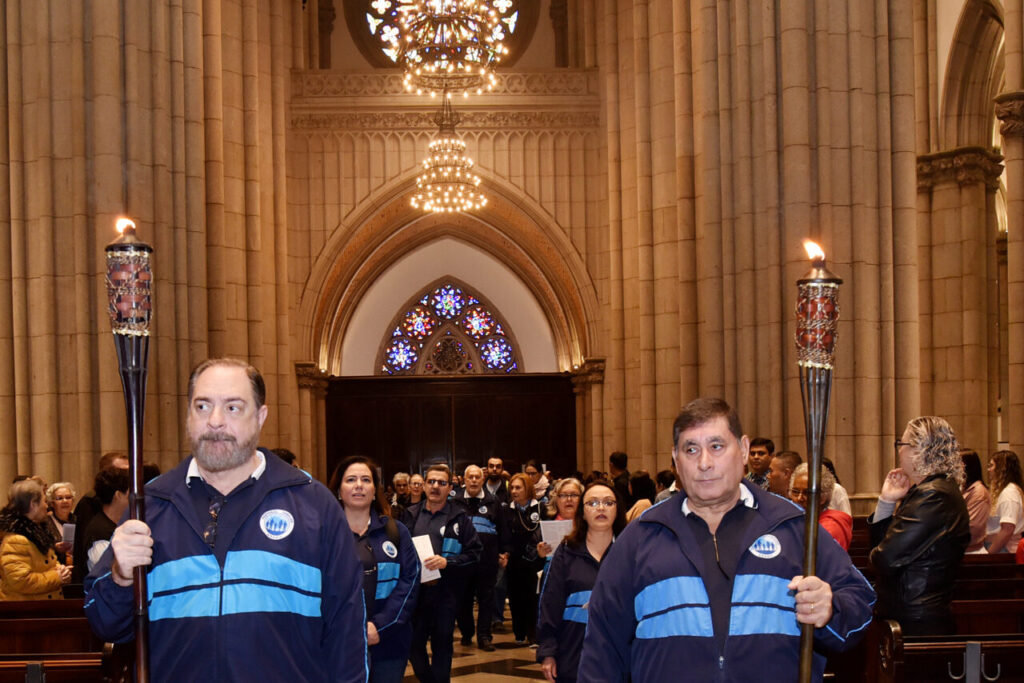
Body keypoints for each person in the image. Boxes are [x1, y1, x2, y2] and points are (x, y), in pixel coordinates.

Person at [84, 358, 367, 681]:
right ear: (188, 416)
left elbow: (347, 629)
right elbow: (105, 624)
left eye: (233, 408)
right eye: (202, 406)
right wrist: (121, 577)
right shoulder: (151, 506)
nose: (215, 421)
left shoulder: (312, 504)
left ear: (260, 417)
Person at [578, 397, 874, 682]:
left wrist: (830, 610)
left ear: (743, 450)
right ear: (676, 459)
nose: (704, 462)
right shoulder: (642, 536)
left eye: (716, 446)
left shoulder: (792, 526)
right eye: (691, 449)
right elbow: (602, 648)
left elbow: (860, 603)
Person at [869, 416, 970, 636]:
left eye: (901, 444)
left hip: (916, 619)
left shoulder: (933, 495)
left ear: (919, 449)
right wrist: (886, 502)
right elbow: (883, 548)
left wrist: (878, 554)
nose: (899, 450)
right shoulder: (931, 491)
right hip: (914, 614)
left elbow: (884, 558)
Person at [332, 456, 419, 683]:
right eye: (351, 480)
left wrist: (379, 626)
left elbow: (409, 582)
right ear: (339, 491)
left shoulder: (396, 531)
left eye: (366, 480)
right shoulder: (325, 534)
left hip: (389, 643)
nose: (359, 485)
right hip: (338, 643)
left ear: (374, 491)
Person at [536, 480, 625, 683]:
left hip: (619, 655)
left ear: (617, 510)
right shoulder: (567, 551)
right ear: (582, 512)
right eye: (592, 503)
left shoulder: (630, 552)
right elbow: (550, 603)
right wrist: (548, 651)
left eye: (608, 502)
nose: (600, 508)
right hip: (573, 653)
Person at [402, 464, 482, 683]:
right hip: (416, 594)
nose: (435, 486)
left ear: (450, 488)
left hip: (446, 593)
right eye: (431, 482)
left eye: (441, 483)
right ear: (424, 485)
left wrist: (448, 562)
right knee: (413, 645)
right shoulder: (410, 515)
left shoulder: (460, 518)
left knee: (442, 646)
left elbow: (475, 553)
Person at [452, 464, 509, 652]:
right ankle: (467, 632)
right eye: (471, 477)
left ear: (482, 479)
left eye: (477, 477)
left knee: (486, 598)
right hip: (462, 560)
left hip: (487, 560)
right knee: (463, 599)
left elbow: (502, 528)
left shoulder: (493, 501)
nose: (474, 480)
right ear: (464, 479)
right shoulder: (455, 501)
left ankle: (484, 636)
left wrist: (504, 552)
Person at [0, 479, 72, 600]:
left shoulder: (37, 532)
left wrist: (61, 569)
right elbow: (21, 581)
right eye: (44, 501)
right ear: (33, 504)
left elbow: (46, 562)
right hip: (27, 608)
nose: (47, 506)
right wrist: (56, 577)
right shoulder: (16, 540)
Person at [505, 472, 546, 646]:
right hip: (514, 560)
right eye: (512, 488)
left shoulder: (541, 508)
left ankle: (533, 633)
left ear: (527, 489)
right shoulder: (507, 510)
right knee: (515, 598)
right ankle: (519, 632)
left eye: (518, 488)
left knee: (533, 597)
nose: (514, 491)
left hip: (535, 560)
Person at [76, 466, 130, 577]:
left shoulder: (119, 524)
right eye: (130, 494)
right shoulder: (99, 532)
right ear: (118, 495)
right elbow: (108, 574)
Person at [789, 463, 852, 550]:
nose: (799, 498)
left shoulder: (830, 527)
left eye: (807, 493)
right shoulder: (799, 519)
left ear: (822, 498)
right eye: (795, 492)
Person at [985, 450, 1024, 553]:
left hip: (1003, 548)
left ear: (1002, 469)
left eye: (991, 466)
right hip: (1000, 546)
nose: (989, 470)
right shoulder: (1007, 491)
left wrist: (990, 554)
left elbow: (1007, 529)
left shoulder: (1009, 493)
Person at [538, 478, 583, 559]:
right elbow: (528, 560)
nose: (569, 499)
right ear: (556, 499)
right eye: (563, 495)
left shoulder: (589, 526)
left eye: (574, 495)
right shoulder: (545, 527)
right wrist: (540, 555)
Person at [960, 449, 990, 553]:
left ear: (965, 466)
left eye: (956, 463)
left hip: (972, 551)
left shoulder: (978, 492)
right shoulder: (964, 488)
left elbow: (973, 528)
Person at [44, 482, 76, 560]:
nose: (65, 501)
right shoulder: (45, 523)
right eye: (59, 498)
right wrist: (54, 548)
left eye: (68, 497)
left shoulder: (79, 520)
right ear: (52, 503)